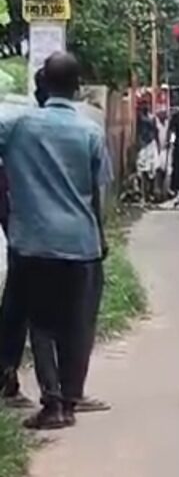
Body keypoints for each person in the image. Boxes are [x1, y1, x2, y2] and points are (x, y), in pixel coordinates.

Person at [0, 53, 110, 429]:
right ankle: (71, 398)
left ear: (42, 83)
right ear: (78, 88)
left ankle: (53, 405)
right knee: (77, 324)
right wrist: (100, 236)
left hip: (35, 243)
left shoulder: (17, 127)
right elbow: (96, 195)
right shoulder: (92, 132)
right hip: (82, 243)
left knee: (42, 324)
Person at [136, 103, 160, 204]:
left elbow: (155, 131)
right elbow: (138, 131)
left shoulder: (152, 118)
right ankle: (144, 195)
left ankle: (150, 194)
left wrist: (157, 145)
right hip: (144, 145)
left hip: (150, 144)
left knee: (152, 171)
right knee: (142, 172)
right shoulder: (140, 118)